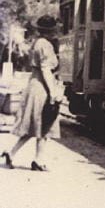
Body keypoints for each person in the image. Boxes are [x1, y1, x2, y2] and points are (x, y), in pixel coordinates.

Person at [2, 15, 63, 171]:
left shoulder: (37, 43)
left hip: (34, 84)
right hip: (42, 87)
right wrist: (53, 92)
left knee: (36, 126)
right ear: (51, 30)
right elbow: (46, 70)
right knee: (44, 124)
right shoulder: (46, 45)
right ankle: (38, 160)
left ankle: (12, 153)